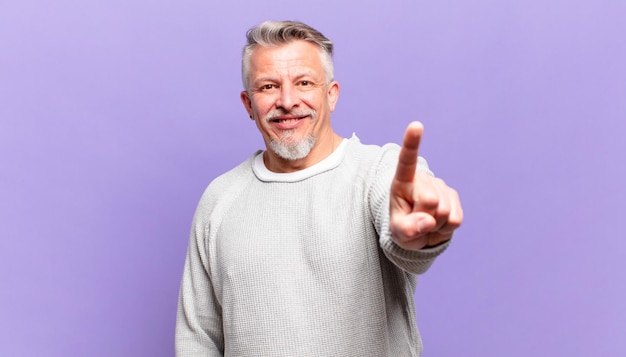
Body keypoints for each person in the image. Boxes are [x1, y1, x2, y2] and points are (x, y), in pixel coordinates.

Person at [176, 20, 463, 356]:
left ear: (331, 95)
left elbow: (404, 236)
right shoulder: (219, 198)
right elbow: (198, 338)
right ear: (248, 105)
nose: (287, 100)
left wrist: (415, 239)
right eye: (268, 87)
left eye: (304, 83)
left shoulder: (380, 171)